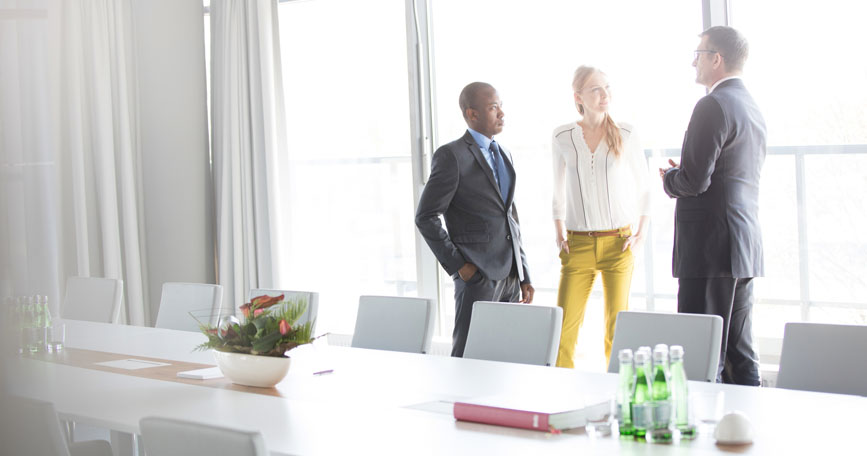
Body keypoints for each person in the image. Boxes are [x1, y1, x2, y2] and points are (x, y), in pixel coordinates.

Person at [660, 26, 766, 385]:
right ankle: (746, 430)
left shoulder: (712, 104)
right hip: (742, 245)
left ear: (716, 59)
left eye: (699, 54)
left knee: (701, 356)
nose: (694, 62)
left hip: (709, 249)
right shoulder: (750, 105)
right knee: (739, 352)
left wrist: (669, 179)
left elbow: (694, 182)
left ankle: (700, 435)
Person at [415, 82, 534, 357]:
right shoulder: (451, 155)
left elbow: (510, 218)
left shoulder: (504, 153)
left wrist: (524, 272)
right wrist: (460, 266)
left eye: (501, 106)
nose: (501, 113)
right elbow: (426, 216)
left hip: (510, 275)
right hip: (477, 275)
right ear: (472, 114)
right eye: (494, 108)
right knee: (467, 354)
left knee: (505, 355)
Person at [552, 66, 651, 368]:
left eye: (606, 87)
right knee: (563, 329)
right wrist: (558, 232)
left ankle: (618, 396)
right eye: (595, 89)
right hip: (577, 245)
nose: (604, 94)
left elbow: (645, 188)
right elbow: (557, 190)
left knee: (616, 330)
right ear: (578, 96)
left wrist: (640, 235)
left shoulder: (626, 133)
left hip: (619, 244)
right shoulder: (562, 136)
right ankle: (559, 397)